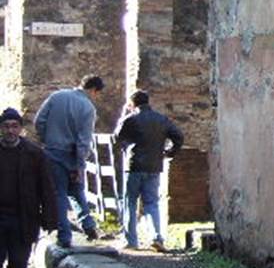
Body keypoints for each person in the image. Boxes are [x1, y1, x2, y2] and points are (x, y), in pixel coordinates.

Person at [0, 108, 58, 268]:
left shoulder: (34, 154)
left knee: (18, 266)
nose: (10, 131)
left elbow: (46, 187)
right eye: (6, 126)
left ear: (21, 129)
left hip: (23, 219)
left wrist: (50, 218)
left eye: (14, 126)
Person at [34, 75, 104, 249]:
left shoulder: (57, 96)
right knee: (76, 190)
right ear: (94, 90)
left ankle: (65, 235)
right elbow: (84, 140)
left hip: (52, 152)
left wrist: (46, 139)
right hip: (72, 155)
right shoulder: (88, 108)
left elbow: (39, 121)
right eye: (98, 94)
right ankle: (87, 226)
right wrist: (80, 164)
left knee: (58, 194)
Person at [113, 90, 183, 252]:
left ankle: (131, 240)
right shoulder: (161, 119)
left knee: (130, 202)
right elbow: (178, 136)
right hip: (154, 165)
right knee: (152, 202)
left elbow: (117, 136)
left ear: (133, 103)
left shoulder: (131, 119)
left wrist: (124, 113)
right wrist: (170, 152)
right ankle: (156, 237)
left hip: (134, 165)